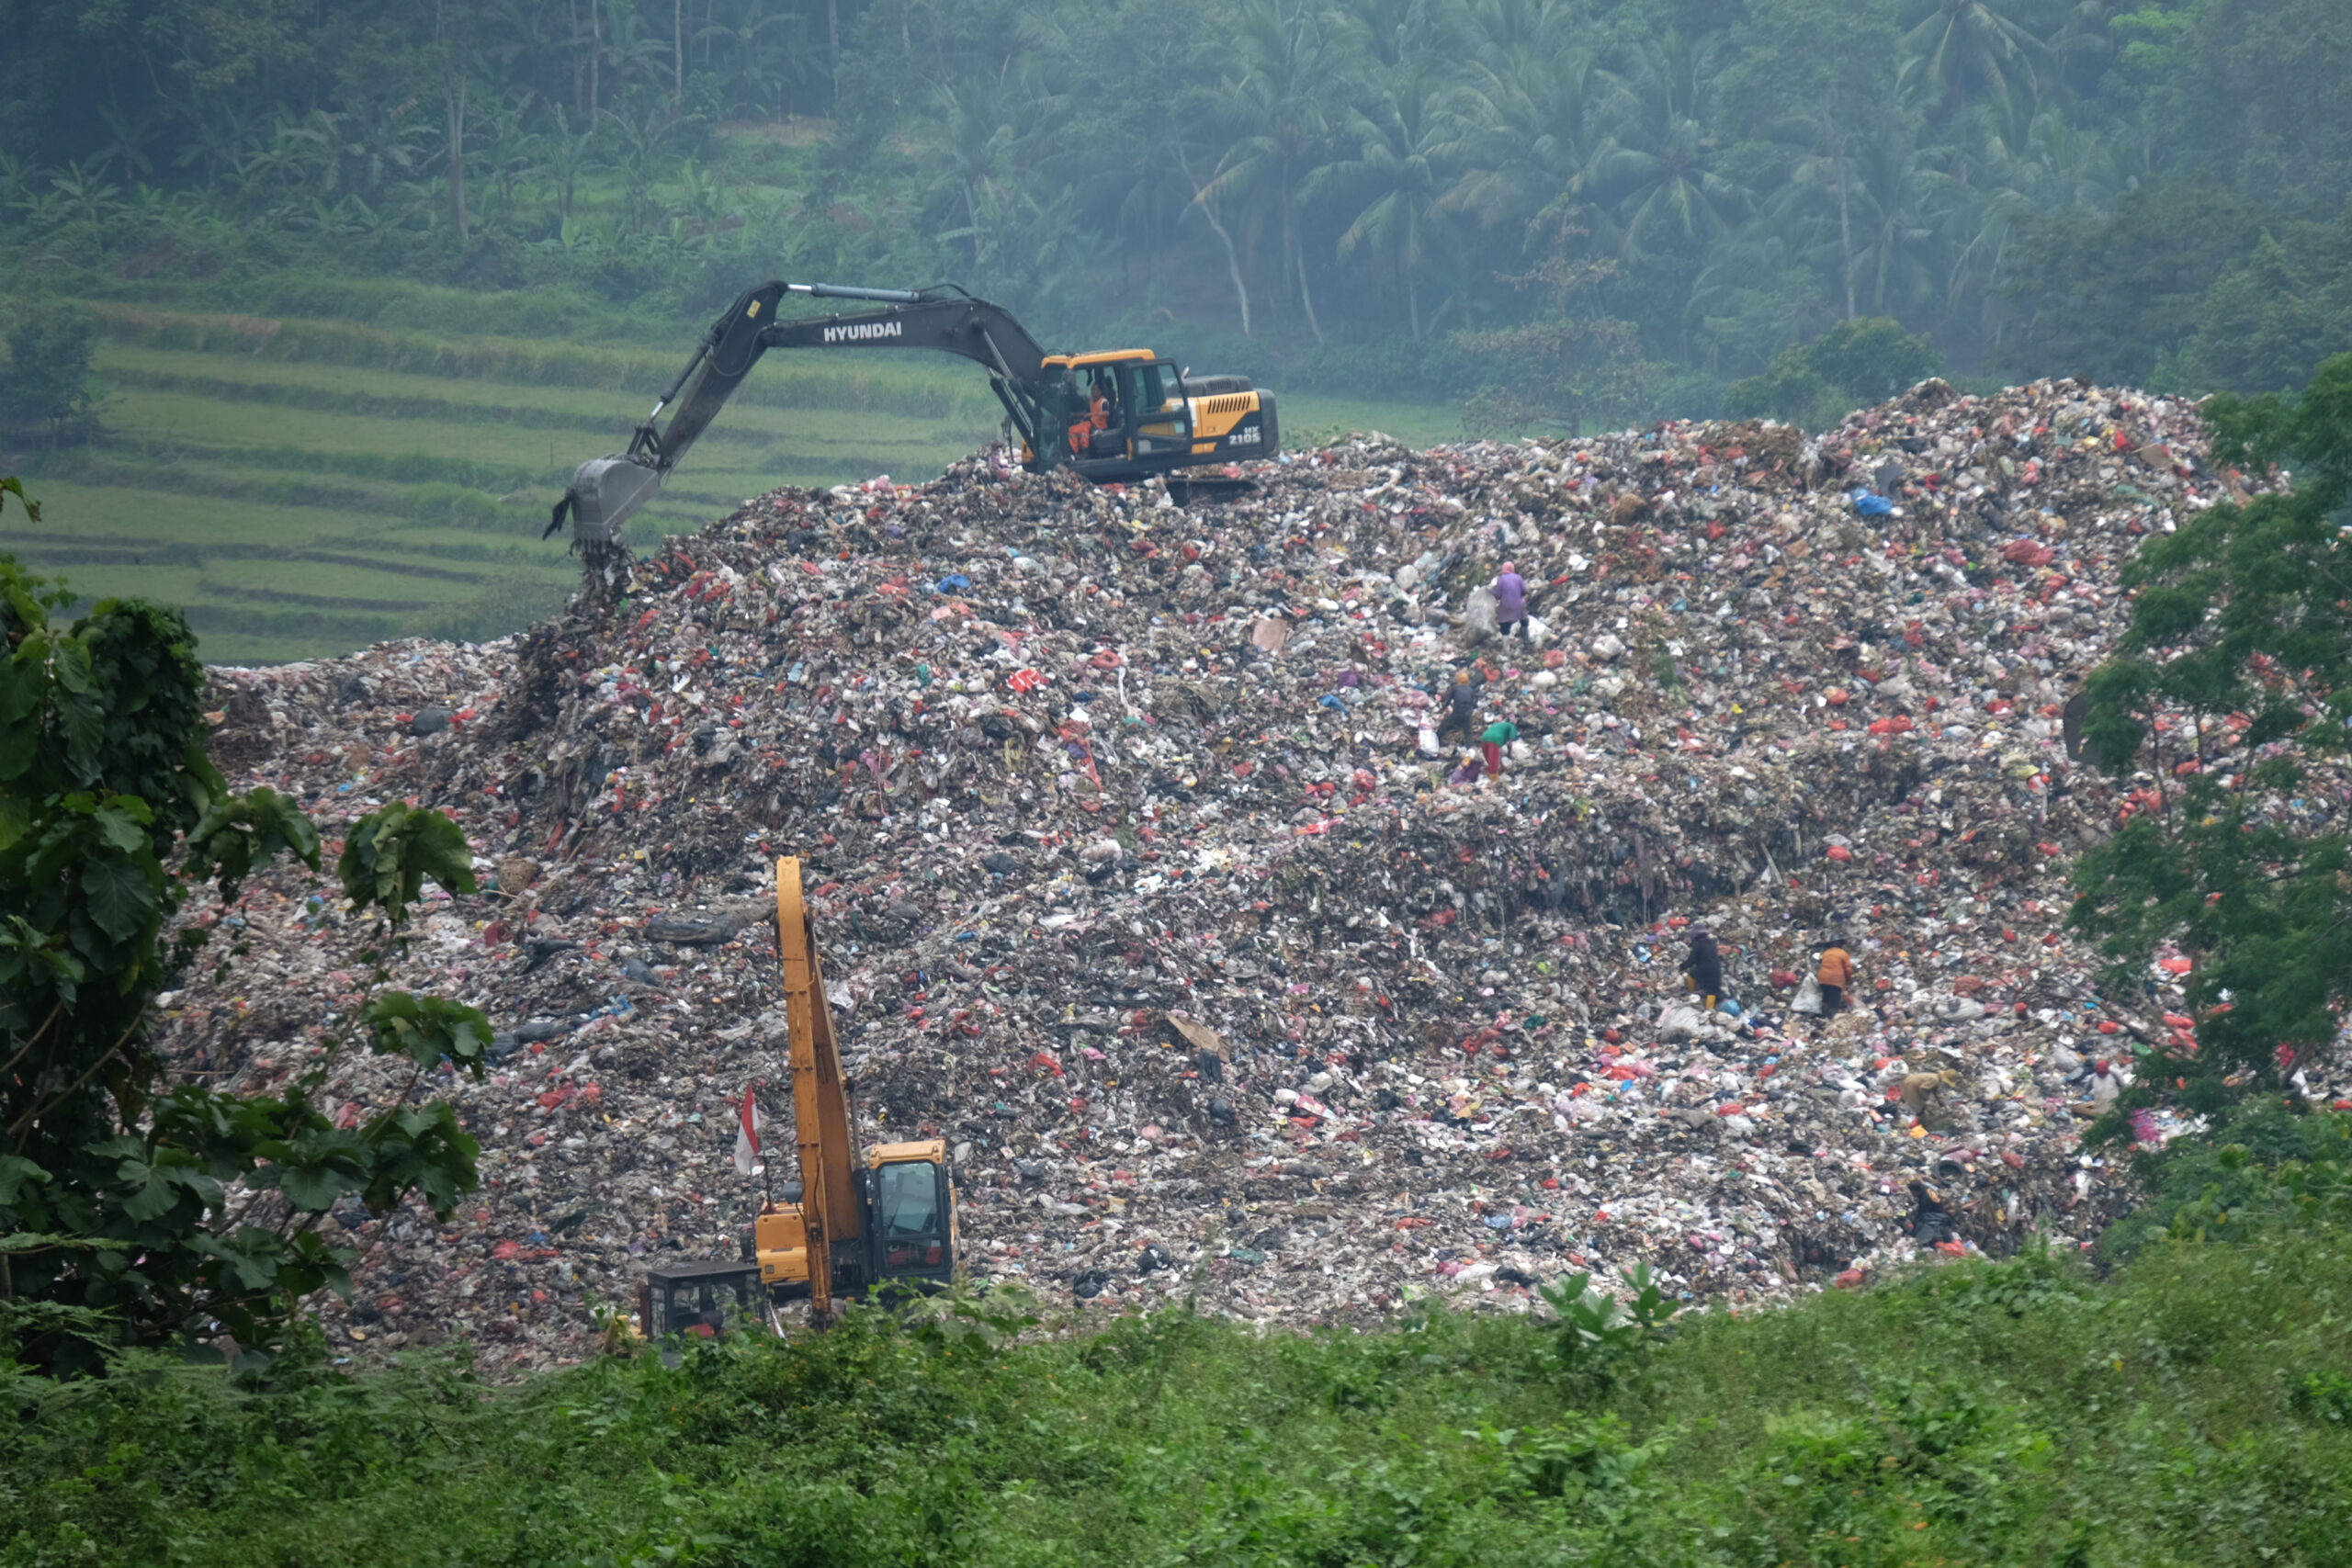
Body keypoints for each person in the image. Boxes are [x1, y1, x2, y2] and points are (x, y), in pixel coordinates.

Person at [1437, 668, 1483, 748]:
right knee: (1468, 732)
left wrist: (1442, 710)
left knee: (1444, 724)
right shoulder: (1470, 690)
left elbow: (1448, 701)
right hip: (1468, 712)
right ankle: (1471, 749)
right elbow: (1473, 703)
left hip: (1458, 711)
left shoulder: (1455, 688)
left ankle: (1438, 741)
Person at [1684, 924, 1723, 1010]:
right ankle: (1709, 1010)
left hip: (1704, 968)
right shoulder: (1712, 942)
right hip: (1716, 968)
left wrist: (1683, 966)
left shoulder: (1698, 944)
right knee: (1712, 989)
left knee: (1690, 977)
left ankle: (1691, 995)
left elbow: (1692, 959)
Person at [1490, 561, 1529, 639]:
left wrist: (1490, 591)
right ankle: (1526, 639)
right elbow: (1525, 590)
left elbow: (1497, 595)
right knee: (1524, 620)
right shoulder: (1518, 578)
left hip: (1505, 606)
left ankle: (1505, 645)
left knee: (1505, 624)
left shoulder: (1501, 579)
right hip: (1519, 605)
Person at [1816, 941, 1857, 1014]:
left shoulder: (1826, 952)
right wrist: (1848, 979)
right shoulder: (1843, 954)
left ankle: (1822, 1015)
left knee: (1825, 998)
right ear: (1840, 944)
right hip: (1835, 980)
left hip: (1823, 979)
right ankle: (1831, 1018)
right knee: (1834, 1001)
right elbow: (1848, 970)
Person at [1480, 714, 1518, 779]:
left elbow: (1497, 755)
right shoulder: (1512, 726)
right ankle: (1493, 781)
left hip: (1484, 738)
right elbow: (1510, 743)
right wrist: (1509, 754)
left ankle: (1489, 776)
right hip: (1494, 740)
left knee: (1491, 760)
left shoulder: (1497, 725)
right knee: (1493, 765)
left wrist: (1502, 765)